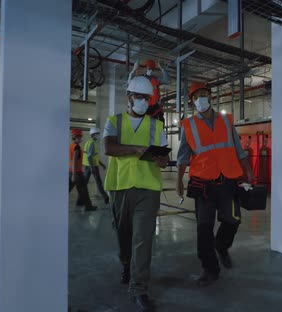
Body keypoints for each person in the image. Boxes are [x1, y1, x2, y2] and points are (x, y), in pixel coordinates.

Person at [175, 82, 254, 287]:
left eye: (204, 94)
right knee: (204, 228)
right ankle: (210, 269)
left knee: (233, 220)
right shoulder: (188, 125)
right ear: (191, 101)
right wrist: (179, 182)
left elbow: (238, 148)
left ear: (210, 96)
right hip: (203, 184)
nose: (201, 98)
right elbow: (183, 156)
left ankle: (222, 245)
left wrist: (248, 171)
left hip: (228, 180)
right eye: (196, 96)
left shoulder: (226, 121)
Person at [103, 76, 169, 311]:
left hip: (148, 188)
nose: (142, 101)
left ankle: (139, 288)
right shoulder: (114, 121)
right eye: (138, 96)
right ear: (128, 97)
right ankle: (125, 263)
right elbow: (108, 148)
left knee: (143, 238)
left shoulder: (157, 125)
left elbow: (165, 157)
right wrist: (136, 149)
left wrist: (163, 159)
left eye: (146, 98)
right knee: (124, 234)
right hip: (120, 187)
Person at [69, 129, 96, 211]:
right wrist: (74, 174)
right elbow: (74, 160)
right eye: (80, 137)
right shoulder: (76, 147)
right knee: (84, 190)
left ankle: (80, 203)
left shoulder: (71, 145)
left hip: (71, 171)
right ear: (76, 137)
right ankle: (88, 206)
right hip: (76, 172)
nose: (81, 138)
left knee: (74, 189)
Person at [83, 127, 110, 204]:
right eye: (97, 134)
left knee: (85, 183)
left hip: (89, 165)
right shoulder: (92, 143)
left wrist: (101, 164)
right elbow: (89, 156)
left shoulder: (90, 142)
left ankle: (80, 199)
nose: (98, 135)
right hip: (92, 166)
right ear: (93, 134)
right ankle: (106, 198)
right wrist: (92, 168)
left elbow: (94, 156)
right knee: (98, 182)